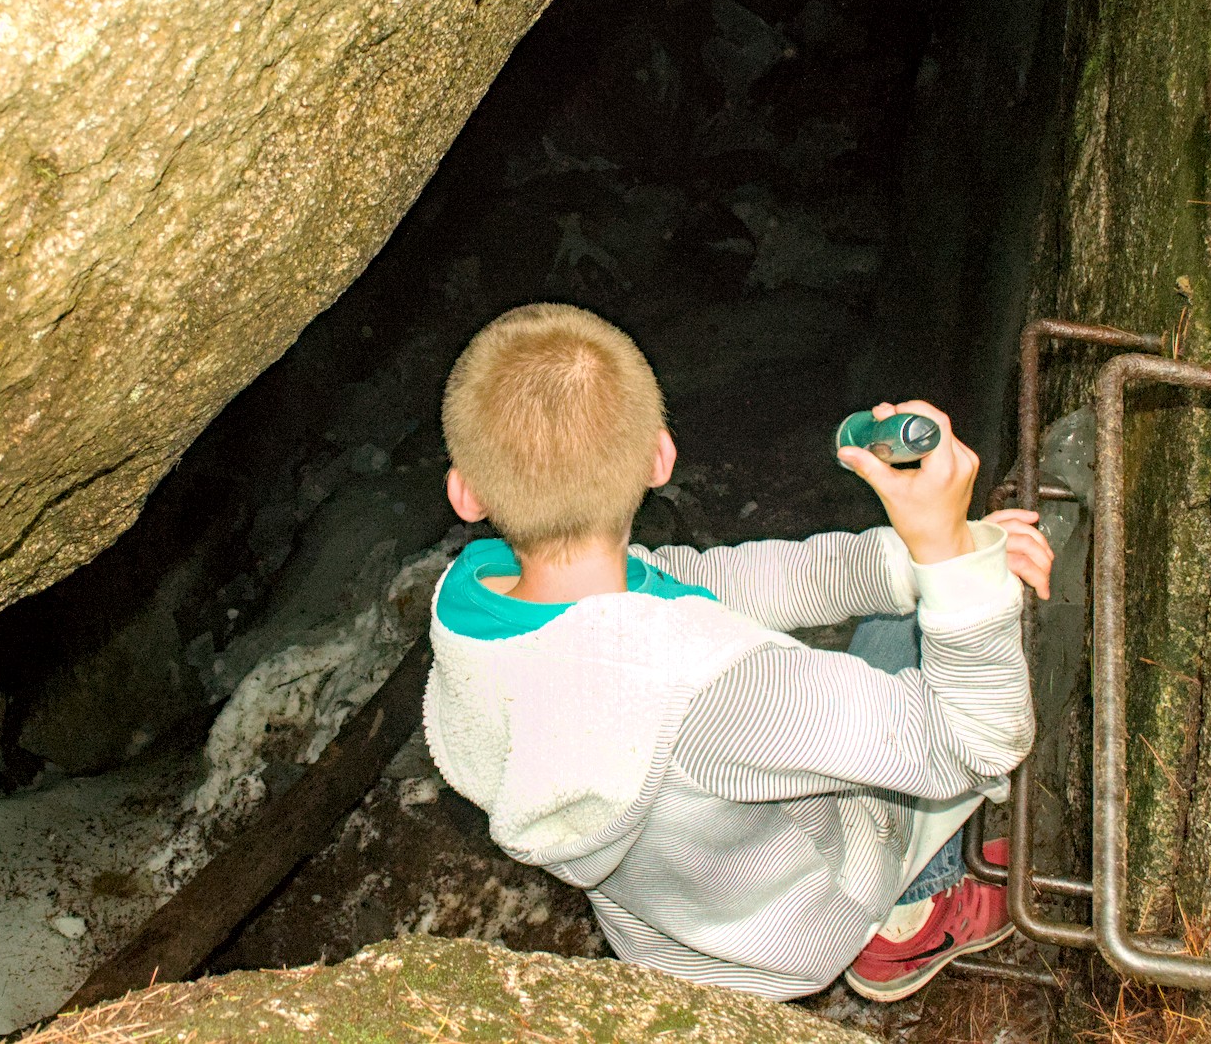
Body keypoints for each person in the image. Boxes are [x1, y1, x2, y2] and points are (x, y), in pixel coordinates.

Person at [422, 303, 1051, 1002]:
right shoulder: (718, 688)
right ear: (661, 457)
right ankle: (900, 927)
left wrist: (904, 562)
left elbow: (718, 583)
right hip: (808, 922)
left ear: (467, 493)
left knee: (897, 608)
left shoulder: (472, 604)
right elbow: (981, 739)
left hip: (672, 931)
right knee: (948, 639)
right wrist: (956, 568)